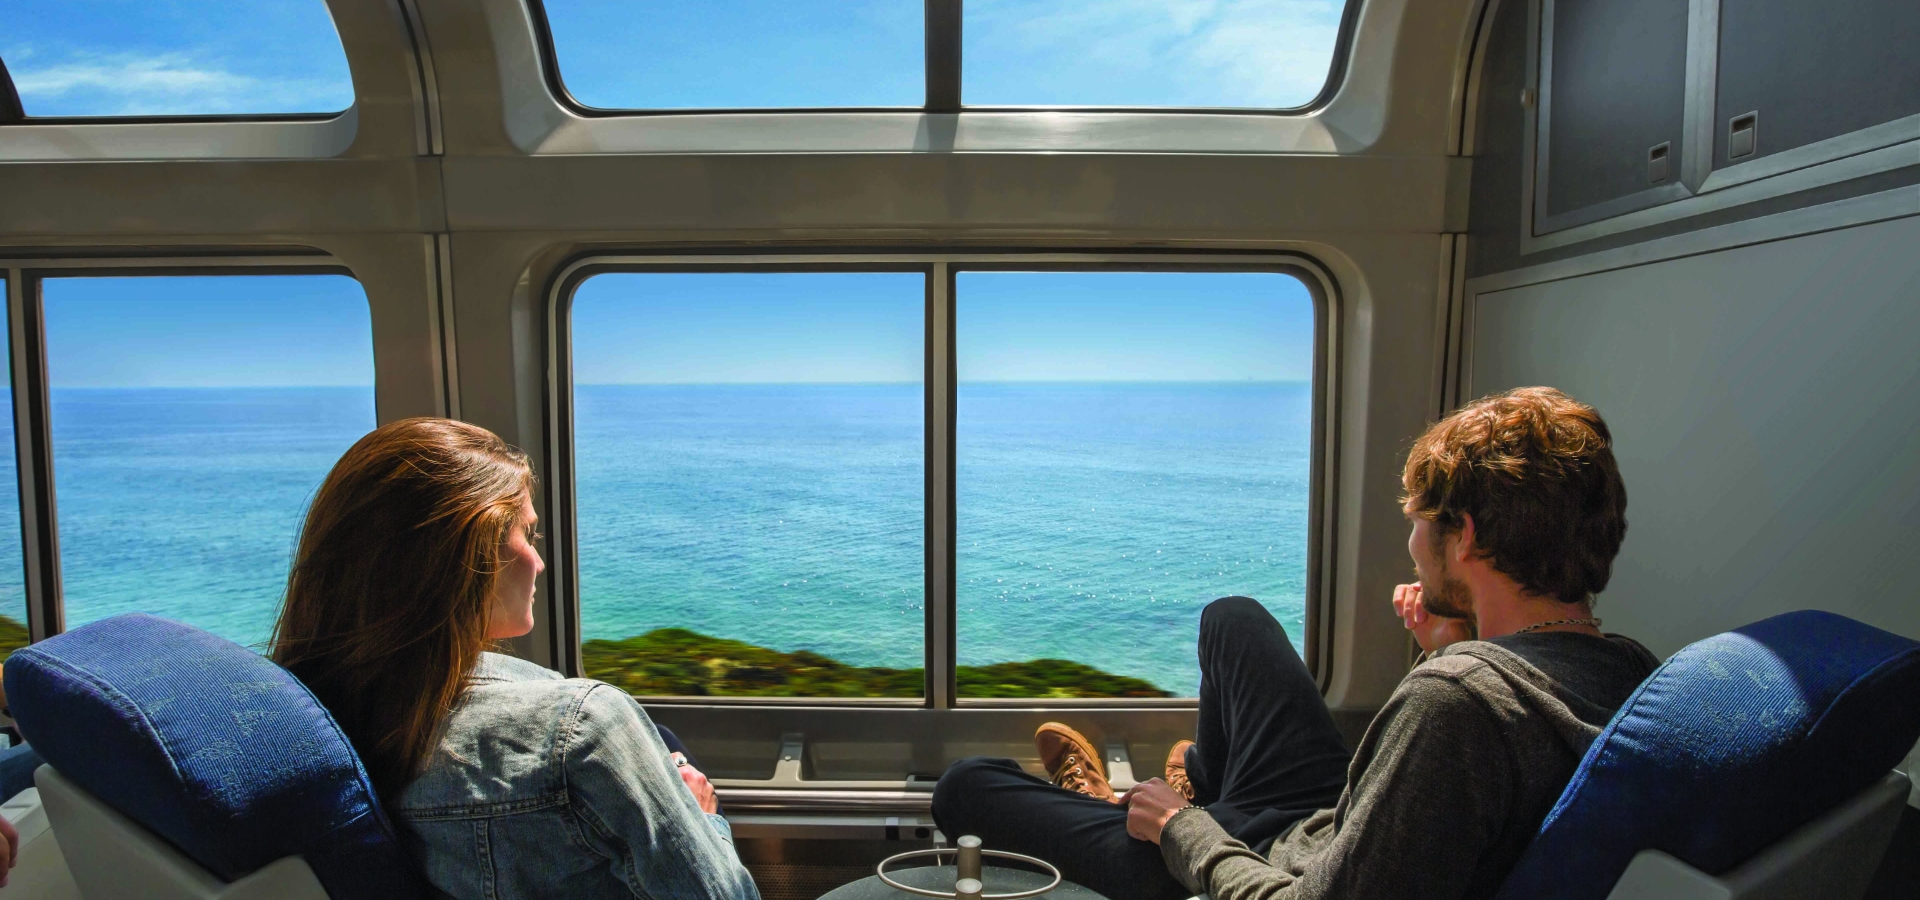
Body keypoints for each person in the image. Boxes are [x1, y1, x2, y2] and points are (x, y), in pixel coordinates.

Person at [933, 387, 1658, 900]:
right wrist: (1449, 643)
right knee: (1234, 619)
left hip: (1254, 868)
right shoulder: (1628, 670)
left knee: (967, 786)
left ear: (1463, 535)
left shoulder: (1456, 703)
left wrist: (1187, 834)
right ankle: (1196, 791)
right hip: (1329, 821)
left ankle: (1133, 806)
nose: (1411, 544)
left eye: (1418, 522)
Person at [270, 417, 758, 900]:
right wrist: (700, 816)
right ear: (468, 554)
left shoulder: (307, 717)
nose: (540, 561)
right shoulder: (583, 730)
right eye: (528, 535)